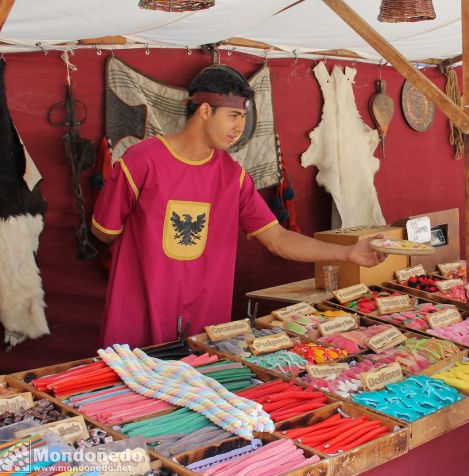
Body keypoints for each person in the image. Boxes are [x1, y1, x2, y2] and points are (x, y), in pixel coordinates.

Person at [91, 65, 384, 347]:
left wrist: (347, 252)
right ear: (205, 111)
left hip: (203, 326)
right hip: (139, 316)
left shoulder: (233, 176)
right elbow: (104, 231)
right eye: (233, 115)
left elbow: (278, 239)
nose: (239, 128)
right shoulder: (142, 160)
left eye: (242, 117)